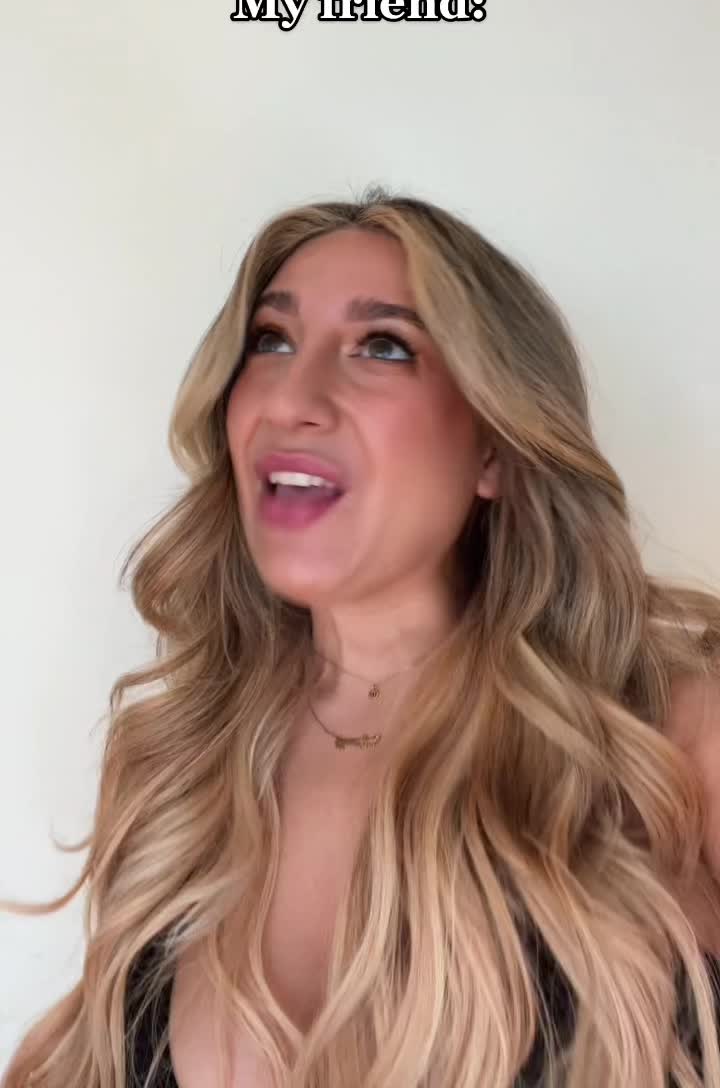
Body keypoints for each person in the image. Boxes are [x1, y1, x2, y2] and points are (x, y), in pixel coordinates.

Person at [3, 188, 720, 1088]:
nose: (291, 398)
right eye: (271, 341)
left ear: (495, 449)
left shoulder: (667, 738)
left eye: (383, 346)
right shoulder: (172, 767)